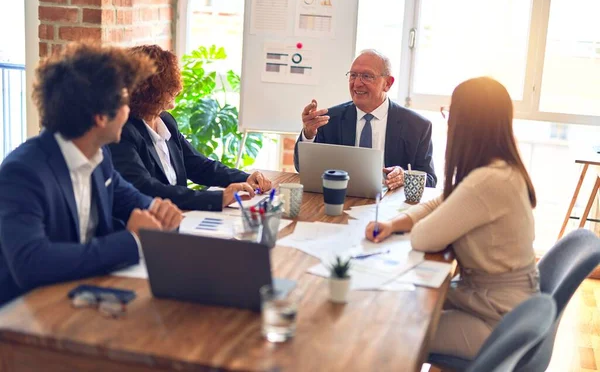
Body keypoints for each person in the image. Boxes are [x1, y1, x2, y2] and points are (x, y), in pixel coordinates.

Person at [364, 77, 539, 359]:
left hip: (496, 321)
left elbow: (423, 237)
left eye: (451, 112)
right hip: (499, 303)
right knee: (402, 304)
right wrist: (392, 224)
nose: (448, 120)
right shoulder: (500, 168)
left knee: (389, 328)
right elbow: (440, 202)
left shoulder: (488, 181)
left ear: (467, 122)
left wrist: (411, 225)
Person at [0, 42, 183, 306]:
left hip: (84, 294)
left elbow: (136, 202)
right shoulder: (23, 173)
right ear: (100, 117)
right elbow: (31, 263)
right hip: (26, 315)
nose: (128, 111)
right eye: (122, 101)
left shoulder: (99, 157)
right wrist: (132, 241)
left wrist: (161, 212)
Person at [108, 45, 272, 211]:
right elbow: (146, 188)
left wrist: (245, 178)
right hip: (149, 223)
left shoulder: (165, 121)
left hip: (181, 215)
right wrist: (218, 198)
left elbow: (197, 165)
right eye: (167, 91)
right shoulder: (122, 132)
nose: (173, 99)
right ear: (147, 92)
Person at [293, 49, 437, 189]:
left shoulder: (418, 126)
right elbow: (302, 169)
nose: (357, 84)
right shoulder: (329, 120)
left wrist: (405, 177)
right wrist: (308, 135)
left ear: (388, 83)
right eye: (353, 75)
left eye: (367, 76)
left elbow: (430, 180)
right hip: (340, 202)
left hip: (391, 206)